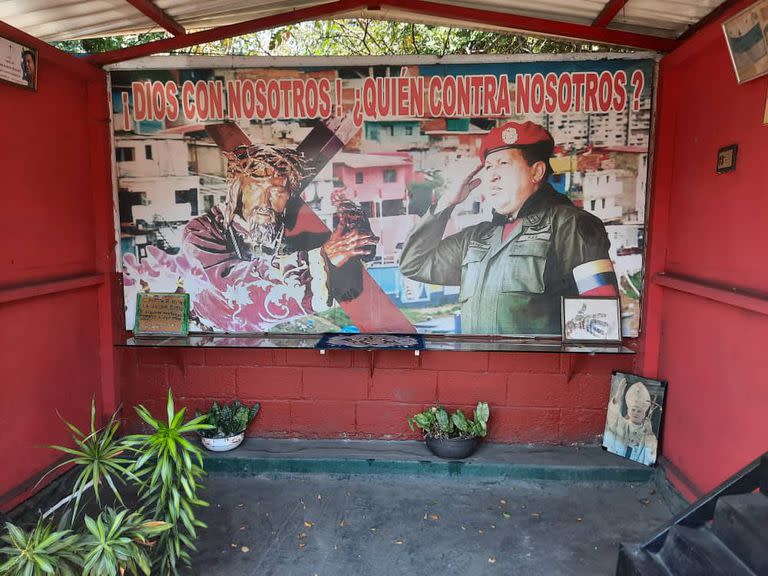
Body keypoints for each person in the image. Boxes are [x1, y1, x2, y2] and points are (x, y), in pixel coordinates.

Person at [399, 121, 618, 335]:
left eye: (504, 164)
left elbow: (601, 321)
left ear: (537, 172)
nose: (492, 175)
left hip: (536, 370)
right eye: (488, 167)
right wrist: (446, 203)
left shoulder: (570, 225)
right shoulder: (477, 237)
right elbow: (413, 264)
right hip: (476, 369)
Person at [181, 144, 375, 331]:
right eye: (256, 188)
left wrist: (354, 240)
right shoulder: (200, 232)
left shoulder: (291, 233)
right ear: (237, 190)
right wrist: (320, 259)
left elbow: (344, 289)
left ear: (288, 196)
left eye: (277, 192)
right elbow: (229, 297)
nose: (264, 202)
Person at [603, 377, 658, 465]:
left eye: (639, 411)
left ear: (644, 414)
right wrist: (617, 398)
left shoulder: (646, 433)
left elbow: (650, 455)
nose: (635, 413)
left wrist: (649, 433)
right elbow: (613, 419)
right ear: (628, 411)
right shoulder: (622, 424)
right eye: (633, 410)